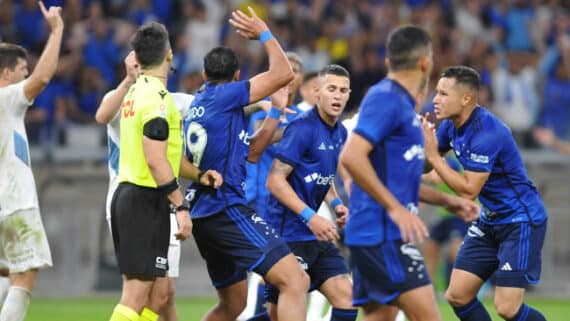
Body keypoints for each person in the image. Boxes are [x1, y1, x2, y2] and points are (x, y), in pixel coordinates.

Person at [339, 25, 480, 321]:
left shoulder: (401, 104)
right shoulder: (386, 97)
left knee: (381, 317)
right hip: (381, 235)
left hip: (377, 235)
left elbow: (397, 182)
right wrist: (395, 209)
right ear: (426, 63)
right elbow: (351, 156)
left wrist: (448, 202)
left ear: (389, 61)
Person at [183, 7, 309, 321]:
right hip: (225, 209)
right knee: (295, 280)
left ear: (204, 75)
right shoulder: (227, 96)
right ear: (237, 77)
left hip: (205, 212)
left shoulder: (201, 102)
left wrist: (274, 114)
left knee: (233, 307)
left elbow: (250, 153)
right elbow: (283, 74)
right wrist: (264, 33)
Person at [96, 51, 222, 321]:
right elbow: (102, 115)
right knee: (137, 291)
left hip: (161, 198)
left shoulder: (170, 102)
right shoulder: (124, 99)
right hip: (134, 198)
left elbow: (214, 105)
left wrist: (262, 105)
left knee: (162, 293)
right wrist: (128, 81)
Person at [422, 65, 548, 321]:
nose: (435, 99)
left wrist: (434, 155)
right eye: (436, 92)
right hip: (490, 220)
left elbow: (469, 190)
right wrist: (423, 144)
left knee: (507, 308)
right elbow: (427, 163)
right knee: (457, 295)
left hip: (519, 220)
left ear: (466, 98)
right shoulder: (450, 126)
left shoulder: (488, 133)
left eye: (443, 94)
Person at [107, 22, 193, 321]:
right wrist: (180, 205)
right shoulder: (157, 99)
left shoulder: (133, 93)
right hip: (143, 197)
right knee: (135, 293)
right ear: (169, 55)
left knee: (152, 295)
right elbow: (156, 159)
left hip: (135, 195)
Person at [263, 64, 357, 321]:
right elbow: (275, 180)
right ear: (317, 92)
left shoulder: (340, 132)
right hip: (285, 235)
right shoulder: (302, 128)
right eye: (331, 89)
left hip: (311, 234)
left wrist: (337, 203)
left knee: (347, 301)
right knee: (277, 312)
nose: (337, 96)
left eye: (343, 91)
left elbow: (323, 176)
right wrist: (312, 217)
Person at [0, 2, 63, 321]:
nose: (26, 73)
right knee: (24, 277)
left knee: (4, 271)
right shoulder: (6, 97)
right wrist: (57, 31)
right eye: (21, 68)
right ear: (6, 72)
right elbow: (42, 78)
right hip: (14, 202)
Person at [421, 156, 469, 293]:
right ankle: (429, 289)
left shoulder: (450, 162)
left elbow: (435, 177)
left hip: (461, 215)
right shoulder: (438, 159)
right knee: (430, 246)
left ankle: (464, 289)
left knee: (456, 252)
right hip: (444, 216)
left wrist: (407, 174)